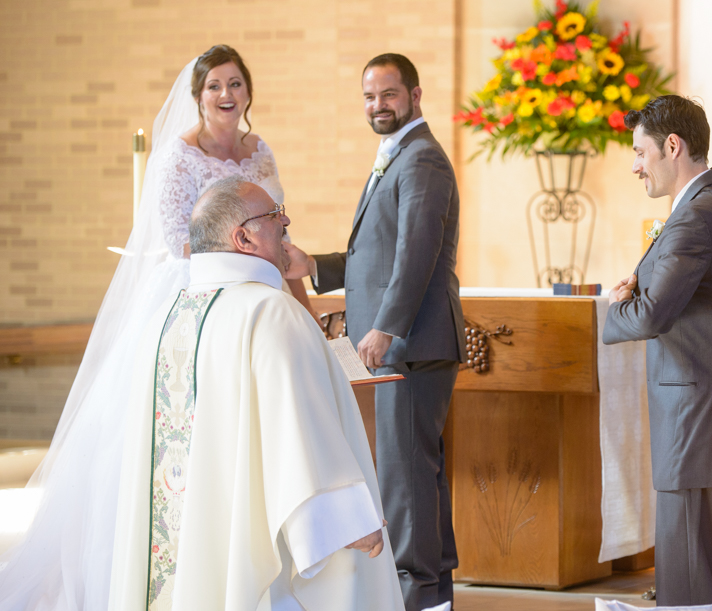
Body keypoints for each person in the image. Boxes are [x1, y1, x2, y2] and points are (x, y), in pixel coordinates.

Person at [0, 45, 314, 610]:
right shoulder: (179, 157)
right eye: (215, 85)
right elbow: (177, 239)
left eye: (235, 84)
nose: (226, 95)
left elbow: (277, 226)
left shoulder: (259, 150)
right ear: (198, 97)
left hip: (259, 294)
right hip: (192, 291)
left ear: (248, 92)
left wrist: (298, 293)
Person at [108, 177, 404, 611]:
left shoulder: (167, 317)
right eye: (273, 216)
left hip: (189, 538)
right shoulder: (270, 311)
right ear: (242, 238)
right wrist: (346, 522)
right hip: (259, 538)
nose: (286, 220)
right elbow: (300, 428)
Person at [285, 53, 464, 611]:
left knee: (407, 481)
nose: (377, 106)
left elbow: (416, 253)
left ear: (414, 95)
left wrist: (387, 326)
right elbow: (376, 253)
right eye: (369, 97)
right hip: (409, 342)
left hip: (412, 344)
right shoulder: (399, 157)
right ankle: (433, 599)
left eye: (388, 94)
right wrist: (312, 264)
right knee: (417, 475)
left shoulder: (421, 161)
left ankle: (414, 597)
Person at [602, 95, 712, 605]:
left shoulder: (696, 216)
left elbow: (651, 315)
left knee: (689, 597)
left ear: (672, 146)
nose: (634, 166)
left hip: (699, 441)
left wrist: (615, 309)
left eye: (639, 152)